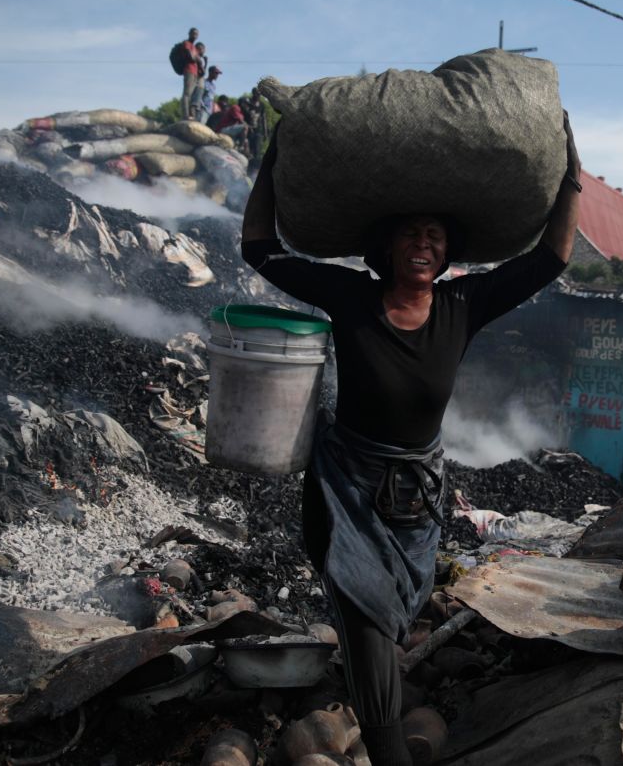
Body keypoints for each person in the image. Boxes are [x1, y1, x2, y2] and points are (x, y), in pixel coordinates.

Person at [241, 115, 582, 765]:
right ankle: (386, 745)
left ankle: (375, 721)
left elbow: (551, 258)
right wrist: (271, 160)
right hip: (343, 497)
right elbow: (258, 246)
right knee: (369, 640)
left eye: (434, 236)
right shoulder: (349, 295)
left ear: (446, 251)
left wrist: (571, 177)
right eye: (410, 234)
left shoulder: (463, 304)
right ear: (387, 247)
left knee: (384, 634)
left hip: (414, 506)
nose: (423, 244)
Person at [179, 28, 200, 120]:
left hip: (195, 72)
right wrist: (197, 58)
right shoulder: (187, 43)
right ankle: (185, 115)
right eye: (193, 33)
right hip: (189, 70)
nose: (195, 35)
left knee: (191, 94)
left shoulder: (194, 47)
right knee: (187, 94)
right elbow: (190, 57)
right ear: (189, 34)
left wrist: (196, 58)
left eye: (196, 34)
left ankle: (189, 115)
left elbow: (196, 59)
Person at [188, 42, 210, 122]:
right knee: (195, 101)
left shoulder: (197, 59)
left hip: (197, 81)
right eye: (203, 49)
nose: (204, 51)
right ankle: (192, 116)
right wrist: (206, 62)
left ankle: (193, 116)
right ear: (199, 49)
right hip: (197, 82)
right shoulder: (197, 58)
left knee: (197, 102)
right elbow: (203, 72)